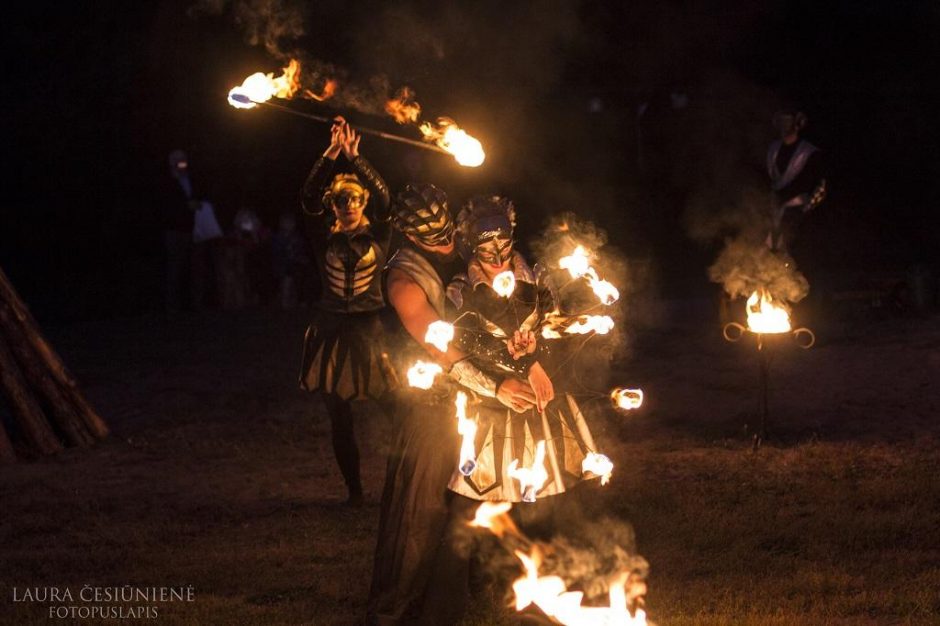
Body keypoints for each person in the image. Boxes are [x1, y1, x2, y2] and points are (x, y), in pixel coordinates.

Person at [418, 195, 608, 625]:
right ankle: (450, 601)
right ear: (471, 250)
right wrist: (522, 363)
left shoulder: (535, 276)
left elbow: (551, 326)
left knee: (545, 496)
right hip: (489, 404)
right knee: (472, 501)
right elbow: (470, 342)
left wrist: (541, 352)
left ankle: (551, 591)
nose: (498, 256)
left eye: (504, 244)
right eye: (487, 250)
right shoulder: (461, 288)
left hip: (539, 404)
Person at [367, 184, 537, 625]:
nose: (446, 243)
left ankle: (475, 586)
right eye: (433, 238)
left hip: (471, 400)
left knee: (475, 496)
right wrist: (495, 386)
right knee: (421, 509)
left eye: (448, 232)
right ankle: (393, 609)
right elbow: (441, 349)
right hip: (428, 402)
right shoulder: (404, 280)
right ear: (408, 236)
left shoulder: (459, 248)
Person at [298, 117, 395, 506]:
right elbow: (307, 198)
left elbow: (387, 199)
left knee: (397, 408)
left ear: (363, 202)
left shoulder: (379, 234)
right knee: (340, 418)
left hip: (370, 330)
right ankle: (355, 493)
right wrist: (331, 154)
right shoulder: (324, 237)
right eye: (341, 200)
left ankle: (405, 483)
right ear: (333, 205)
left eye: (355, 198)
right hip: (331, 330)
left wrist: (357, 158)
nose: (349, 205)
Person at [766, 110, 827, 252]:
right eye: (781, 121)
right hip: (776, 209)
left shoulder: (810, 153)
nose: (784, 126)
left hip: (799, 214)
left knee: (797, 253)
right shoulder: (773, 149)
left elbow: (821, 187)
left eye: (788, 121)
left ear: (797, 124)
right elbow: (769, 179)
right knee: (774, 250)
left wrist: (805, 208)